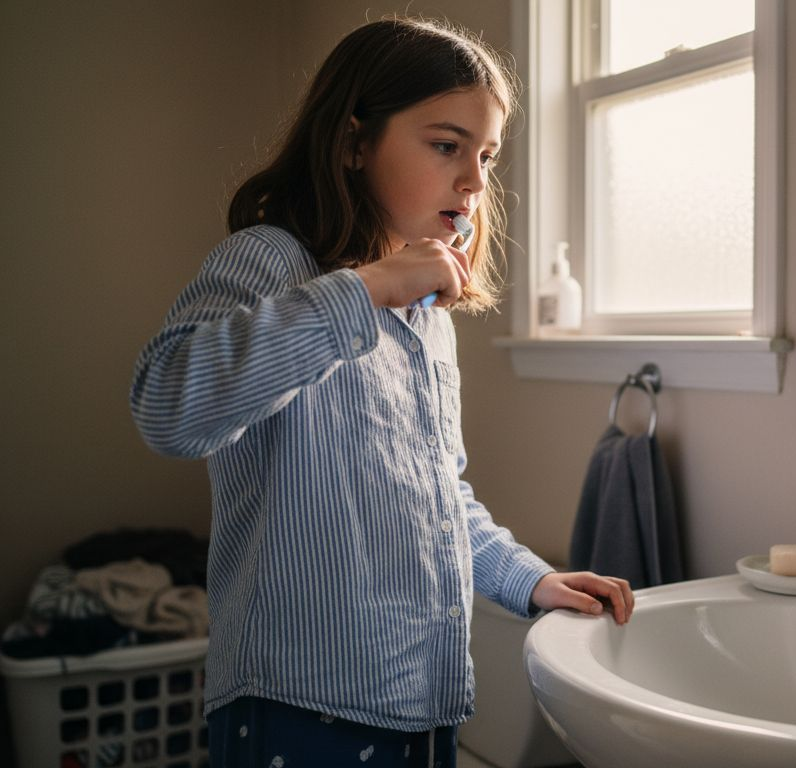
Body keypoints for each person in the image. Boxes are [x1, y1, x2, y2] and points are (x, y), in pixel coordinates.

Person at [129, 17, 633, 767]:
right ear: (354, 143)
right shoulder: (270, 262)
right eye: (446, 145)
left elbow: (438, 500)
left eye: (486, 156)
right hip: (297, 702)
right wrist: (362, 289)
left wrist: (532, 580)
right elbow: (169, 410)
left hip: (422, 705)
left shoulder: (427, 319)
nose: (473, 179)